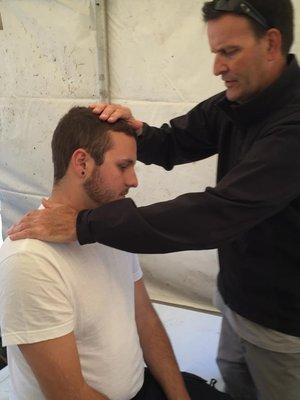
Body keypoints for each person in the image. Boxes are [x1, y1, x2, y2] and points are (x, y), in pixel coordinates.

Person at [7, 0, 300, 399]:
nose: (217, 67)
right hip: (237, 296)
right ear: (81, 162)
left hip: (282, 316)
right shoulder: (31, 262)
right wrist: (138, 133)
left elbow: (216, 213)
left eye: (229, 52)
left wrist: (82, 226)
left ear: (271, 44)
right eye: (215, 52)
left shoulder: (292, 127)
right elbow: (176, 140)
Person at [0, 107, 230, 400]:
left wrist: (178, 395)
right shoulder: (29, 261)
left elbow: (145, 320)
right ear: (82, 163)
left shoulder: (108, 228)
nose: (134, 181)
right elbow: (70, 395)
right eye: (124, 166)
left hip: (140, 388)